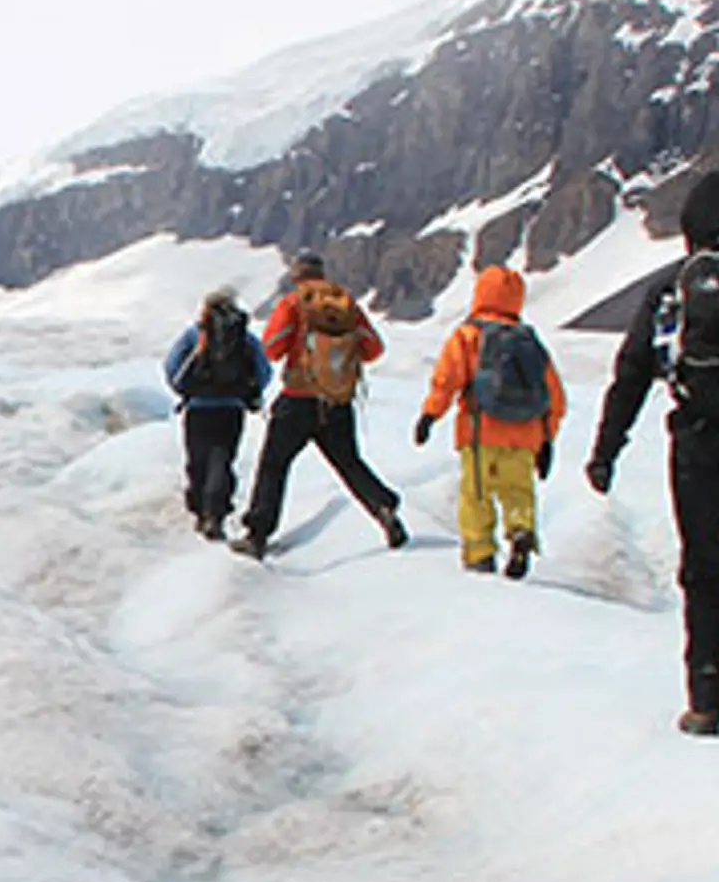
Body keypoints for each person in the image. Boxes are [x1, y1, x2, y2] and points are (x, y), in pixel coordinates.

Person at [584, 170, 719, 738]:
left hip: (696, 444)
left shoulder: (670, 288)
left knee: (705, 569)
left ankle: (707, 698)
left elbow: (633, 372)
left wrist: (606, 449)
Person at [230, 251, 408, 559]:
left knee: (273, 465)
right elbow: (374, 349)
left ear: (296, 276)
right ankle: (383, 509)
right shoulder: (345, 303)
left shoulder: (292, 303)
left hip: (297, 401)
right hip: (337, 402)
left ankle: (257, 535)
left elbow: (271, 348)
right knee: (349, 463)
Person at [413, 265, 566, 578]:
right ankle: (520, 532)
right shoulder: (529, 342)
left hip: (480, 432)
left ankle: (480, 554)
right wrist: (547, 438)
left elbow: (447, 379)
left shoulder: (469, 335)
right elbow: (554, 396)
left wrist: (430, 414)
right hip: (525, 436)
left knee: (476, 495)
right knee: (518, 492)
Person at [162, 287, 272, 541]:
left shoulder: (194, 334)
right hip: (232, 409)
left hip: (198, 408)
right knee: (222, 459)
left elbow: (172, 367)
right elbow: (263, 369)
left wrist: (186, 390)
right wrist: (247, 394)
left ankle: (201, 511)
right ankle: (216, 514)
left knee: (197, 461)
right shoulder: (243, 336)